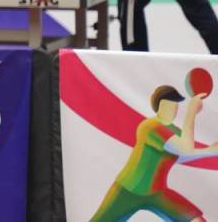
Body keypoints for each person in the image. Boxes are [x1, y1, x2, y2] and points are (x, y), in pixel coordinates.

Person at [90, 84, 217, 221]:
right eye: (170, 105)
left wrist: (210, 151)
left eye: (176, 105)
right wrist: (191, 112)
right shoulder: (151, 127)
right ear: (160, 106)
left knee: (196, 220)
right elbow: (186, 148)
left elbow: (182, 154)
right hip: (127, 191)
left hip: (157, 192)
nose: (174, 109)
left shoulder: (174, 131)